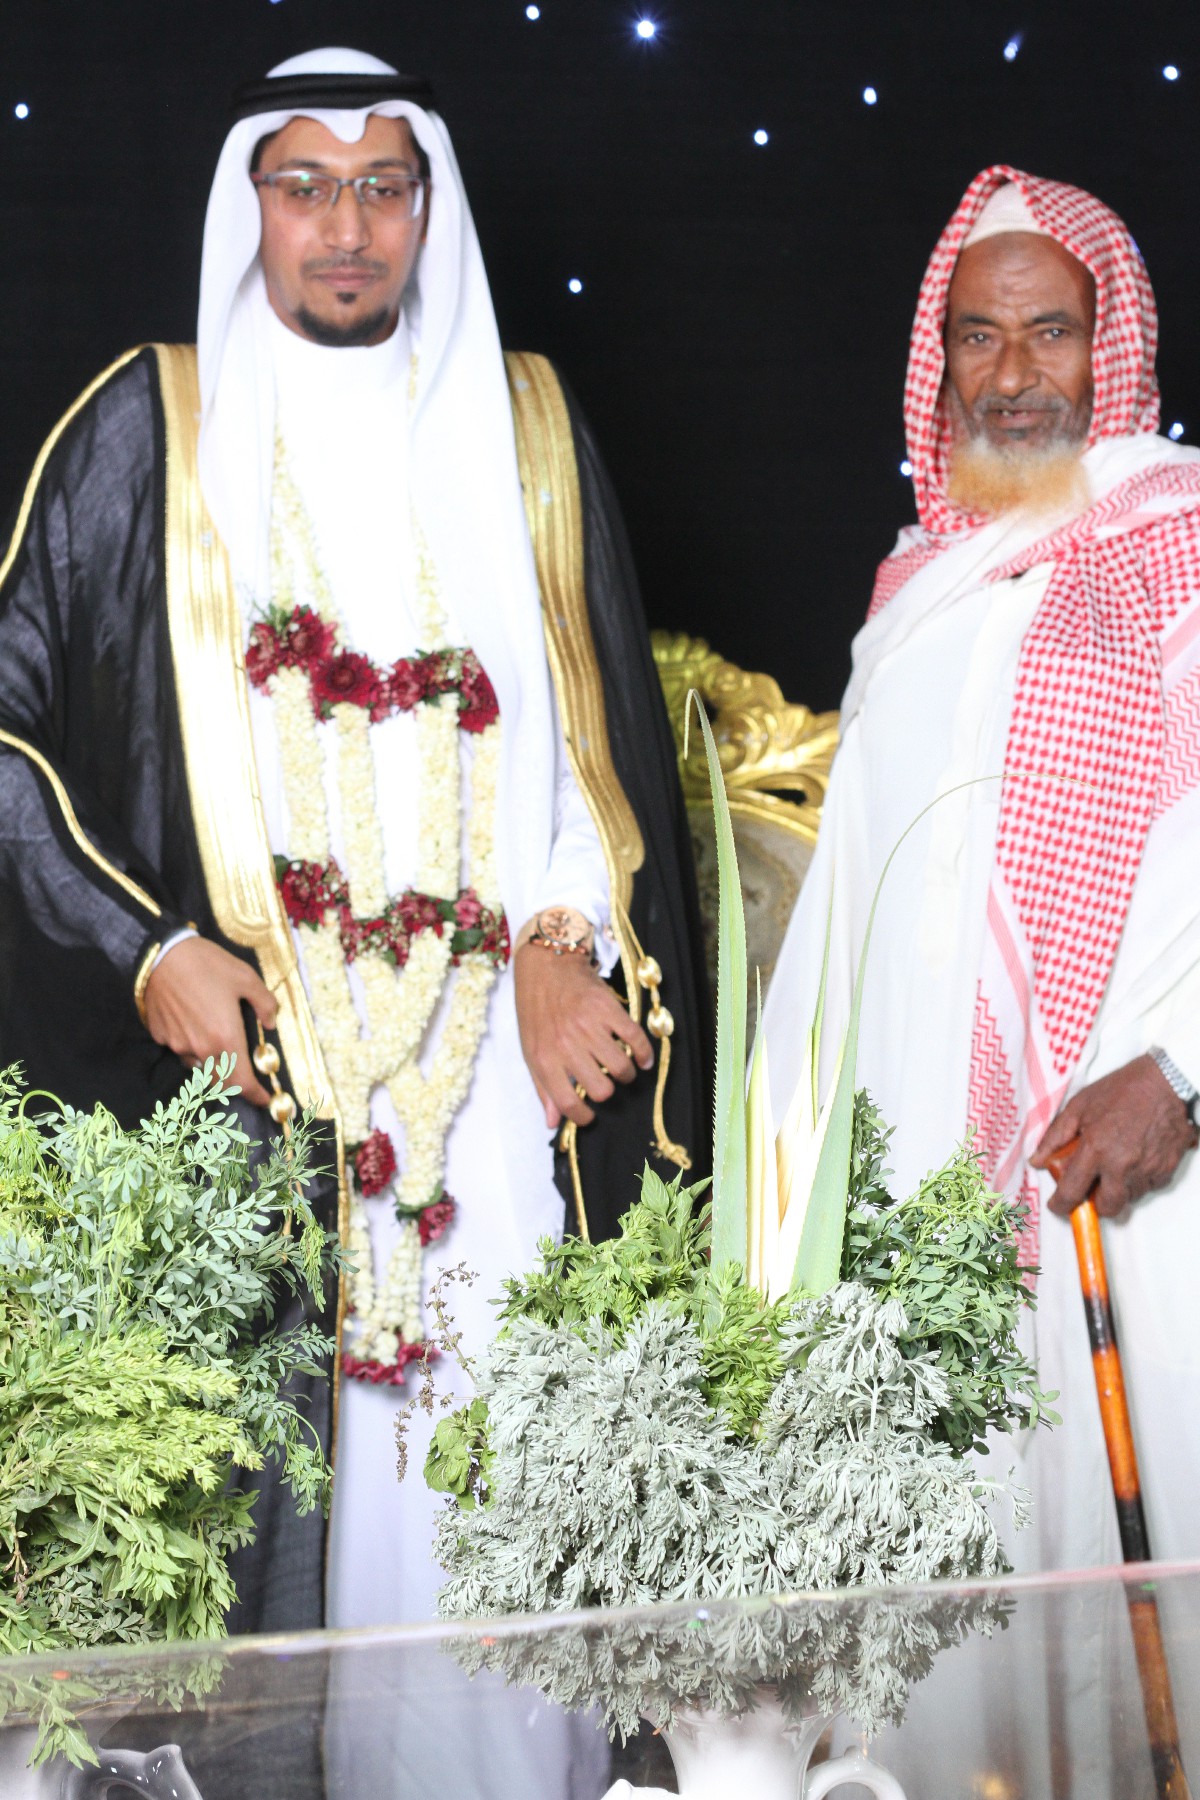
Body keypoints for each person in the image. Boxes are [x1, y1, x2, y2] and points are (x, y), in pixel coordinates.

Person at [0, 46, 709, 1638]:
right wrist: (143, 948)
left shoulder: (523, 426)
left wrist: (561, 941)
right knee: (265, 1551)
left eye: (382, 187)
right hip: (260, 1097)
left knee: (502, 1553)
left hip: (498, 1089)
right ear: (250, 202)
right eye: (305, 186)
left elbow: (596, 751)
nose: (344, 226)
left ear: (426, 205)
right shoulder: (150, 430)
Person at [765, 165, 1200, 1577]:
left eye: (1051, 332)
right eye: (978, 336)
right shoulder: (916, 588)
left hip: (1136, 1167)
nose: (1012, 377)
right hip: (916, 1186)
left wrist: (1181, 1073)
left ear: (1111, 343)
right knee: (952, 1592)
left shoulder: (1184, 544)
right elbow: (850, 909)